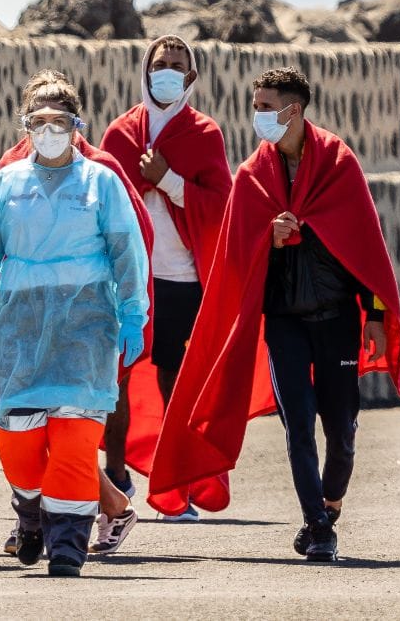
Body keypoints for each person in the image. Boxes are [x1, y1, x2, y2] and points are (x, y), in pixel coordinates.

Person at [147, 67, 400, 561]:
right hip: (284, 320)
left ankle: (328, 503)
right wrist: (267, 237)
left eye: (267, 107)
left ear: (294, 110)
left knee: (343, 428)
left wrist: (375, 312)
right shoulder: (251, 176)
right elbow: (234, 253)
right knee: (298, 425)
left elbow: (365, 244)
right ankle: (318, 525)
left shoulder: (338, 162)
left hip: (336, 318)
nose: (258, 115)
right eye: (256, 105)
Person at [0, 75, 149, 576]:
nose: (48, 130)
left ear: (76, 125)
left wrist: (132, 314)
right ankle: (32, 512)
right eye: (38, 122)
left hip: (87, 330)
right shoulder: (7, 184)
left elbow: (128, 251)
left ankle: (67, 545)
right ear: (25, 126)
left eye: (58, 121)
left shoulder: (101, 182)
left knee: (76, 444)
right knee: (17, 440)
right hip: (21, 330)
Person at [99, 35, 232, 521]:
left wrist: (168, 179)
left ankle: (179, 483)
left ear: (191, 77)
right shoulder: (120, 133)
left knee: (177, 383)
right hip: (128, 279)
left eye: (177, 65)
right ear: (145, 69)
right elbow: (104, 201)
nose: (168, 71)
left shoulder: (204, 133)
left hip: (181, 277)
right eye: (160, 64)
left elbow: (221, 204)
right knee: (117, 379)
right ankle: (116, 478)